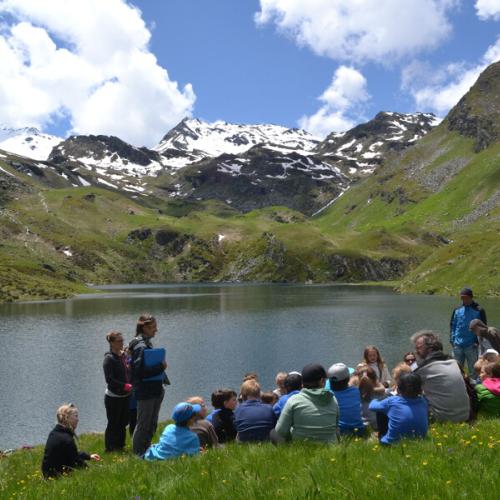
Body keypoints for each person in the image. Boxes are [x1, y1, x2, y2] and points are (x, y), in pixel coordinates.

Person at [129, 314, 167, 456]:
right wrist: (161, 367)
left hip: (153, 389)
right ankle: (139, 454)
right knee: (144, 424)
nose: (156, 330)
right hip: (146, 391)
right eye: (153, 327)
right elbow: (139, 371)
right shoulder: (140, 346)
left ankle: (146, 449)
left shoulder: (143, 343)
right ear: (144, 327)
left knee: (151, 423)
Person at [411, 330, 470, 422]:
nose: (416, 352)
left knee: (408, 397)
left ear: (430, 349)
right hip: (465, 414)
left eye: (418, 348)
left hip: (442, 418)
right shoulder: (453, 362)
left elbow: (407, 392)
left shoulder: (423, 369)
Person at [274, 363, 339, 444]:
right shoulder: (332, 399)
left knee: (273, 434)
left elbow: (280, 431)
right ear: (322, 381)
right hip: (330, 449)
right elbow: (336, 428)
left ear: (302, 383)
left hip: (301, 448)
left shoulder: (293, 400)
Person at [41, 404, 100, 479]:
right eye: (75, 416)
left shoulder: (54, 433)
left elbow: (72, 453)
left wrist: (89, 456)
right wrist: (91, 471)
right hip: (57, 476)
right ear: (67, 418)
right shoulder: (66, 439)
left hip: (47, 474)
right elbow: (76, 461)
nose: (77, 419)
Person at [369, 372, 428, 445]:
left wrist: (376, 399)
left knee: (381, 409)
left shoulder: (392, 401)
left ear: (398, 390)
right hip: (420, 440)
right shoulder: (423, 401)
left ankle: (382, 435)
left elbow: (371, 406)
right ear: (420, 389)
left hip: (391, 443)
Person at [103, 331, 132, 452]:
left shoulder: (124, 356)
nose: (122, 343)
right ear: (112, 343)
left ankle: (120, 445)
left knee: (123, 422)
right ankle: (110, 448)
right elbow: (109, 380)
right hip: (113, 397)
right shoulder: (108, 359)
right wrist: (124, 386)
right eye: (119, 341)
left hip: (126, 396)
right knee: (113, 423)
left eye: (122, 340)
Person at [449, 287, 487, 374]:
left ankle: (473, 386)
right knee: (456, 371)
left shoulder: (479, 310)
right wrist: (452, 340)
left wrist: (477, 343)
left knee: (474, 371)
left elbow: (484, 328)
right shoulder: (457, 309)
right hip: (457, 345)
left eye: (465, 297)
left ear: (471, 297)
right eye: (461, 297)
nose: (463, 299)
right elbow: (452, 325)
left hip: (472, 346)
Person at [326, 363, 365, 436]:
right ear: (348, 379)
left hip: (340, 431)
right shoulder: (355, 391)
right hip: (359, 429)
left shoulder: (329, 395)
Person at [356, 365, 386, 430]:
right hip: (378, 425)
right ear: (375, 379)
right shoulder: (383, 394)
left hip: (363, 427)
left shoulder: (356, 394)